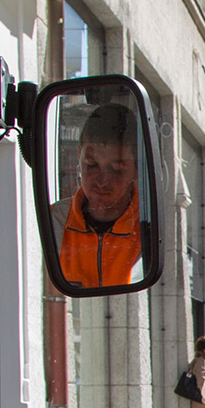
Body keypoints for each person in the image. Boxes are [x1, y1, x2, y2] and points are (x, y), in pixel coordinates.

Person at [53, 102, 146, 287]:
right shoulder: (55, 221)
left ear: (136, 169)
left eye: (116, 169)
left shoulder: (148, 224)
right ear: (78, 156)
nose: (102, 181)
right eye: (91, 165)